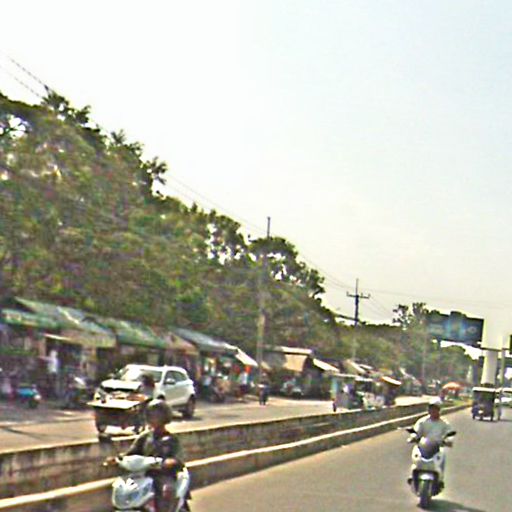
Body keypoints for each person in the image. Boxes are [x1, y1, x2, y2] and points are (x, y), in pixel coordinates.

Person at [107, 399, 186, 512]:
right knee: (122, 488)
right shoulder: (145, 437)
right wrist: (117, 459)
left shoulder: (172, 439)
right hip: (142, 473)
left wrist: (170, 462)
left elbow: (178, 458)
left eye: (157, 415)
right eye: (151, 415)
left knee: (167, 490)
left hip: (163, 474)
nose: (153, 419)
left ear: (165, 417)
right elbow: (131, 452)